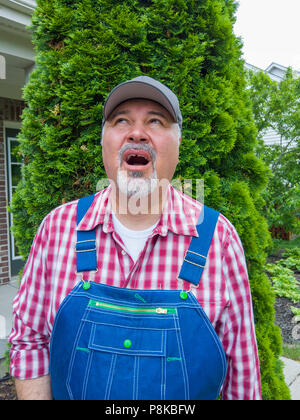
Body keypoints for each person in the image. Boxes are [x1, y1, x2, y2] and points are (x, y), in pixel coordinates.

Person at [9, 76, 262, 400]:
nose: (137, 133)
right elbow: (29, 343)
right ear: (104, 142)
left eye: (155, 121)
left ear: (179, 142)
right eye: (121, 120)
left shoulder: (218, 241)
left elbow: (242, 379)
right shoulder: (56, 230)